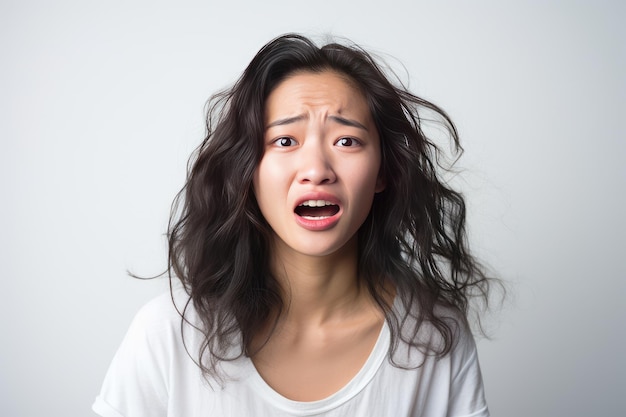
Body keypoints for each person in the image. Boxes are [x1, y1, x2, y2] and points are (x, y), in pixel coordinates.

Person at [93, 33, 494, 417]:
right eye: (285, 141)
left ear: (382, 173)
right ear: (247, 170)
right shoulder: (168, 333)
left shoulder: (435, 337)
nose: (317, 170)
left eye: (346, 141)